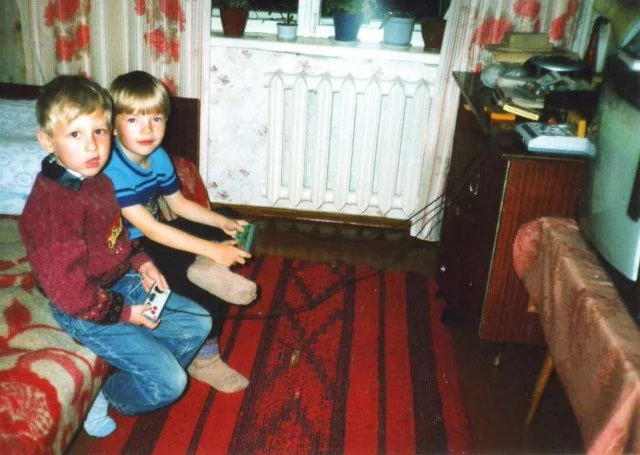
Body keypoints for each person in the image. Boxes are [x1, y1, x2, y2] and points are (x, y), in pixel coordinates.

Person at [19, 75, 212, 438]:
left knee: (198, 324)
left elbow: (117, 235)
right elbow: (72, 295)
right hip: (85, 306)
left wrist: (142, 262)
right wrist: (126, 315)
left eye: (99, 131)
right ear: (47, 141)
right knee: (171, 383)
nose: (92, 146)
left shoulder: (99, 180)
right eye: (75, 135)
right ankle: (106, 394)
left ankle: (139, 365)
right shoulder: (53, 207)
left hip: (117, 280)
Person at [104, 70, 256, 394]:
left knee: (227, 217)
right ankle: (205, 359)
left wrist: (219, 223)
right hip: (131, 250)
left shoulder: (158, 157)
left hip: (158, 233)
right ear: (113, 125)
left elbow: (178, 203)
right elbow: (150, 229)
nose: (148, 129)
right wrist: (212, 248)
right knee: (198, 283)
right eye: (134, 120)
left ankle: (206, 264)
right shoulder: (111, 169)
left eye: (156, 119)